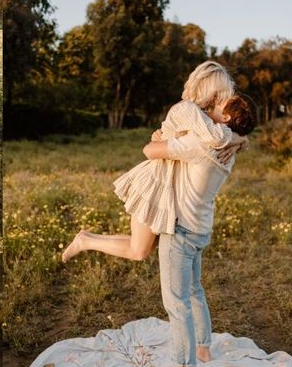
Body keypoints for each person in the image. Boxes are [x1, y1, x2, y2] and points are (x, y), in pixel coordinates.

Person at [61, 62, 247, 263]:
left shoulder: (200, 114)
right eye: (222, 93)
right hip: (156, 182)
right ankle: (85, 241)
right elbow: (215, 138)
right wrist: (241, 139)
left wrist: (241, 141)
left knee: (143, 249)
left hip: (167, 184)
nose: (225, 99)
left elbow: (212, 136)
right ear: (212, 89)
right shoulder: (189, 109)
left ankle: (86, 239)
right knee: (139, 251)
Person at [144, 93, 257, 367]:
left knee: (176, 302)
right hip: (202, 228)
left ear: (225, 119)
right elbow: (226, 136)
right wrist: (239, 139)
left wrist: (167, 134)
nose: (212, 108)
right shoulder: (229, 152)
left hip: (180, 229)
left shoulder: (199, 144)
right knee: (194, 289)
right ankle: (204, 347)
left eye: (219, 107)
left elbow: (149, 150)